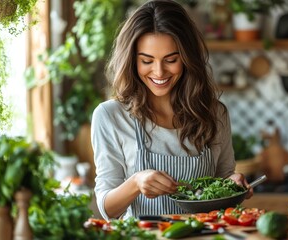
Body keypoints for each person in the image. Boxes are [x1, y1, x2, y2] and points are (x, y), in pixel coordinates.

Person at [91, 0, 252, 220]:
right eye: (147, 60)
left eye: (171, 60)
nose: (159, 72)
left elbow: (223, 180)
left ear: (187, 58)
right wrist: (136, 183)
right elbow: (107, 209)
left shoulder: (214, 113)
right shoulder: (110, 116)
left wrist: (234, 185)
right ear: (131, 61)